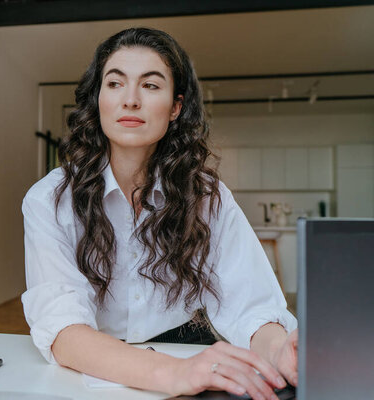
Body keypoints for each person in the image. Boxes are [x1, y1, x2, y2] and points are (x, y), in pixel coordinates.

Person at [21, 27, 298, 399]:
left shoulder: (207, 196)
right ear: (97, 99)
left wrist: (280, 350)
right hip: (94, 365)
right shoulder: (50, 200)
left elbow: (251, 307)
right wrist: (176, 374)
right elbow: (64, 332)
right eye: (115, 84)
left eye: (151, 86)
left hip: (187, 355)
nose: (130, 100)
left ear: (175, 107)